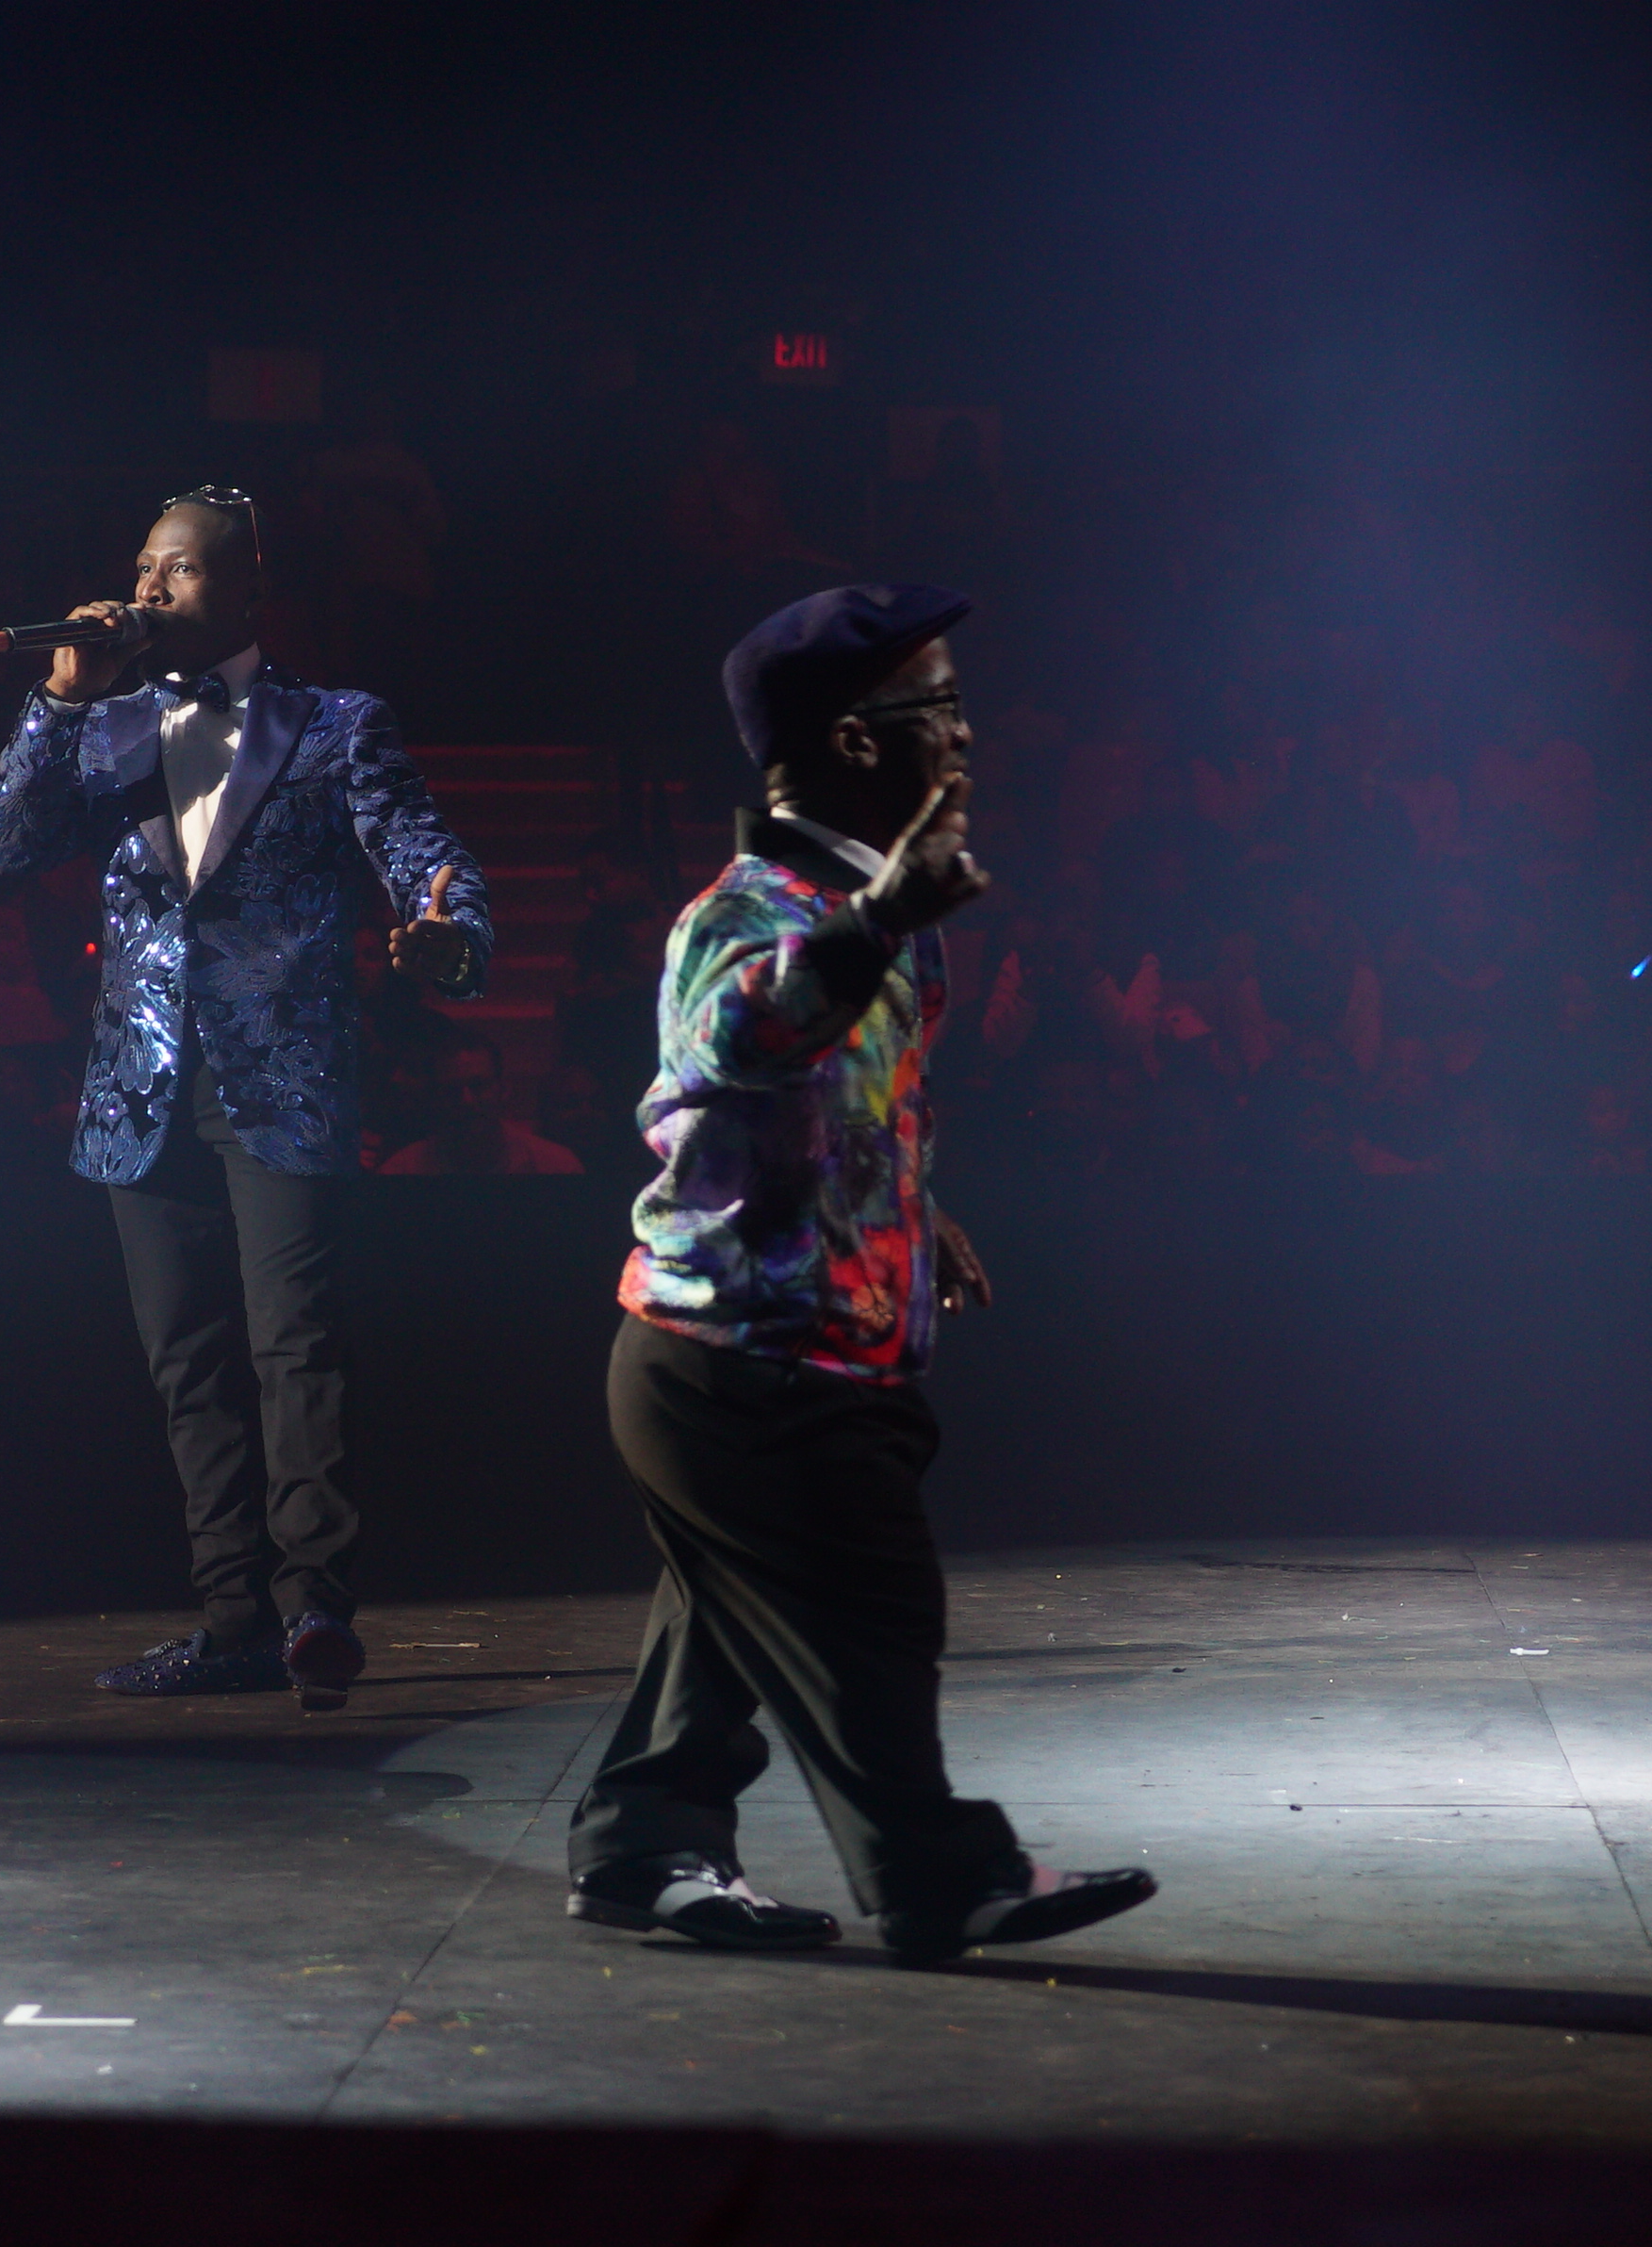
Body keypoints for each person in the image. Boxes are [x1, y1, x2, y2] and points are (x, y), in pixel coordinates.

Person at [565, 583, 1156, 1965]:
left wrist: (910, 1209)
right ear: (850, 741)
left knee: (721, 1629)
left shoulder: (872, 908)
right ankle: (941, 1878)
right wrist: (877, 921)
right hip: (739, 1365)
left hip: (778, 1351)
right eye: (934, 712)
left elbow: (847, 1101)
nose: (964, 738)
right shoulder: (757, 909)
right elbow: (732, 1043)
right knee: (871, 1608)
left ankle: (642, 1844)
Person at [0, 487, 490, 1713]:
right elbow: (7, 843)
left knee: (295, 1343)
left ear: (249, 588)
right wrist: (58, 697)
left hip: (286, 1077)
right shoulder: (102, 727)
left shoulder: (333, 725)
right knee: (187, 1361)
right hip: (140, 1083)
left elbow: (425, 853)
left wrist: (446, 932)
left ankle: (316, 1608)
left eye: (183, 571)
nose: (150, 589)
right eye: (144, 565)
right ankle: (231, 1622)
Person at [377, 1036, 584, 1175]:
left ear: (504, 1090)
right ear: (435, 1097)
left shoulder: (556, 1167)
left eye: (479, 1086)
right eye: (452, 1089)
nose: (467, 1100)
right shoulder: (400, 1171)